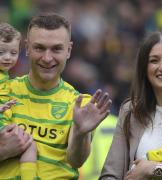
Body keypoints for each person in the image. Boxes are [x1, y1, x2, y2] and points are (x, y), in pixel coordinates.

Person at [0, 13, 112, 180]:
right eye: (39, 48)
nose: (47, 58)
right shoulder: (3, 91)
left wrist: (81, 133)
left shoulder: (80, 104)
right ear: (27, 48)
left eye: (56, 49)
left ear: (69, 50)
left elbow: (76, 161)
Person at [99, 31, 162, 180]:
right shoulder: (130, 111)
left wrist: (155, 169)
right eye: (154, 61)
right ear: (144, 68)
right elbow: (111, 173)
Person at [0, 22, 38, 179]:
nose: (8, 57)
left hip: (3, 124)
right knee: (29, 143)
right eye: (1, 52)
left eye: (13, 53)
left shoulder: (6, 77)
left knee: (28, 142)